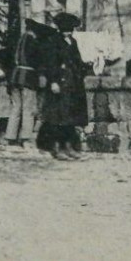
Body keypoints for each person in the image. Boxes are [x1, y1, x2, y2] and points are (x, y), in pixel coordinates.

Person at [38, 12, 90, 159]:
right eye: (67, 29)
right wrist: (53, 81)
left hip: (73, 84)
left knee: (71, 117)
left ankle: (69, 146)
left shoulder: (72, 42)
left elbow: (77, 61)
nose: (69, 32)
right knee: (58, 118)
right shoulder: (53, 41)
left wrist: (87, 66)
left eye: (71, 29)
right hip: (59, 83)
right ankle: (57, 147)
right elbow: (50, 63)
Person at [5, 19, 46, 145]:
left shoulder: (20, 41)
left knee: (16, 108)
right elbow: (39, 61)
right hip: (28, 77)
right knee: (28, 108)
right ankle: (25, 137)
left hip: (15, 77)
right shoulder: (34, 43)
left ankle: (10, 136)